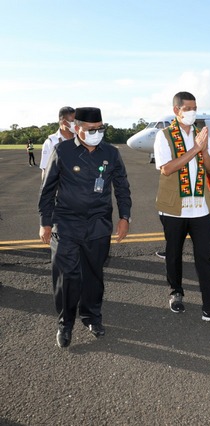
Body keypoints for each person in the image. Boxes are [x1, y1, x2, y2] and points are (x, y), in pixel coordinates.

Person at [38, 107, 132, 348]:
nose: (97, 132)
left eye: (101, 128)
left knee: (93, 275)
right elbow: (47, 190)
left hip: (98, 225)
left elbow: (121, 187)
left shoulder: (111, 153)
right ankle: (65, 323)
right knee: (66, 277)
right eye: (92, 129)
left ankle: (92, 317)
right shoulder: (62, 151)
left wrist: (125, 217)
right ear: (77, 128)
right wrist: (45, 222)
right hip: (67, 224)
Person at [154, 91, 210, 323]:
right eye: (188, 108)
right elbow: (166, 168)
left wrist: (204, 149)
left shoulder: (201, 135)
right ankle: (176, 292)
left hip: (200, 209)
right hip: (174, 208)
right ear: (176, 110)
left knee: (204, 258)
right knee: (174, 255)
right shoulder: (164, 136)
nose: (193, 112)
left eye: (195, 107)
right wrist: (195, 150)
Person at [40, 107, 76, 178]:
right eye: (73, 121)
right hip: (60, 186)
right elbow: (45, 170)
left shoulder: (82, 139)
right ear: (64, 122)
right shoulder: (51, 142)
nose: (76, 124)